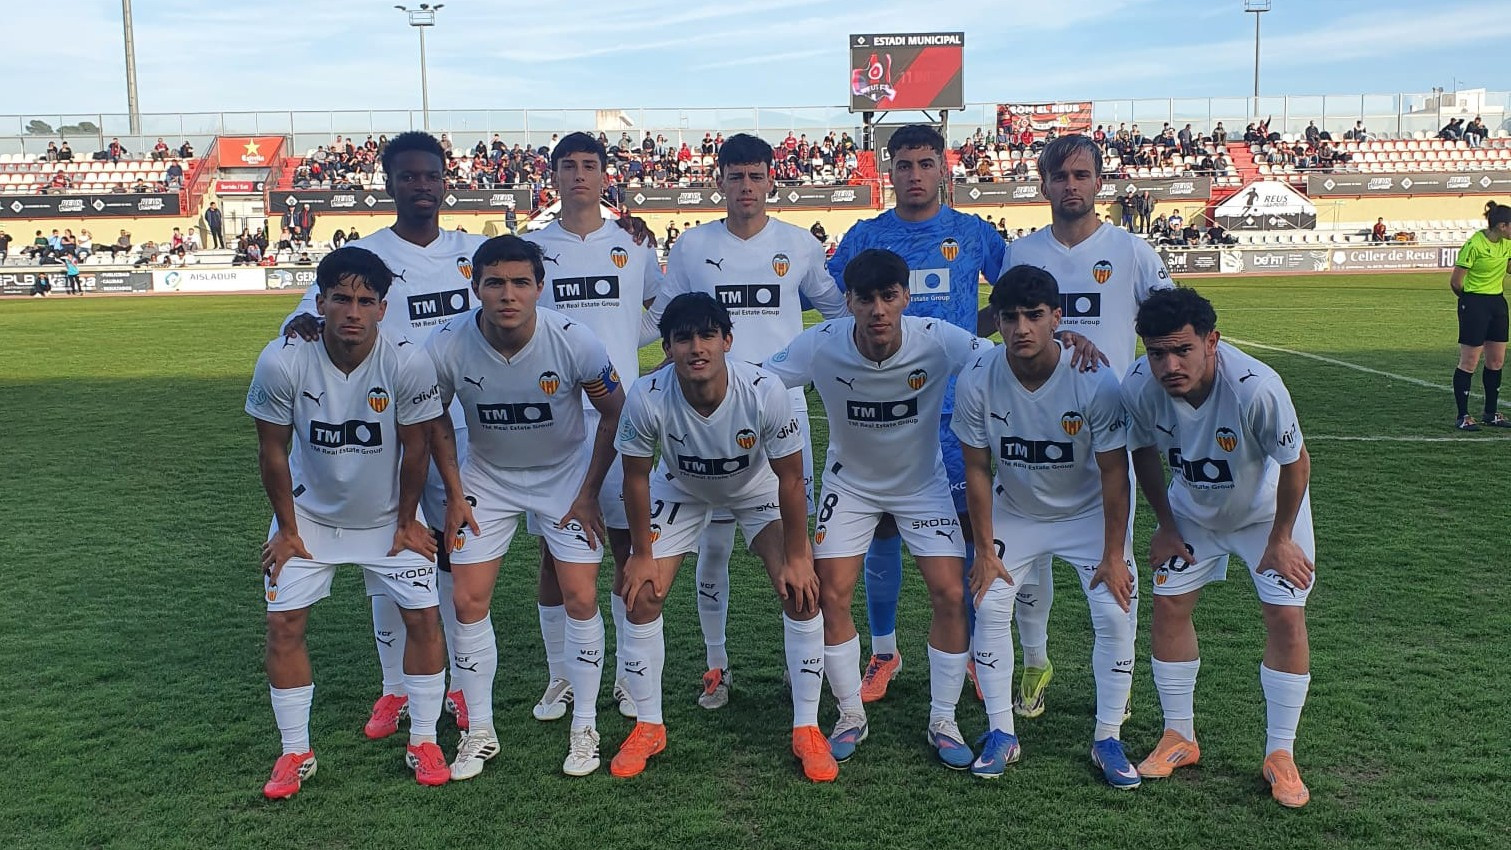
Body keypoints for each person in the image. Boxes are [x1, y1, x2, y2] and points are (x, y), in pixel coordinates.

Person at [281, 131, 488, 741]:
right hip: (384, 441)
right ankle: (395, 687)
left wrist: (625, 225)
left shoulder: (472, 251)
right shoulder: (364, 256)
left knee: (455, 562)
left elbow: (532, 281)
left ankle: (461, 688)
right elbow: (303, 321)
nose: (422, 186)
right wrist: (300, 321)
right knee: (391, 561)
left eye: (431, 175)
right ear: (389, 183)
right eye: (408, 176)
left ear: (446, 182)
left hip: (460, 433)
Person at [762, 248, 983, 772]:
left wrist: (1066, 344)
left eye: (889, 296)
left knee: (952, 594)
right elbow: (759, 379)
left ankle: (944, 720)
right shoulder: (821, 343)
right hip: (851, 487)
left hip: (922, 485)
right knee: (829, 595)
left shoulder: (937, 338)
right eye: (866, 299)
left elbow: (1003, 359)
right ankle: (849, 715)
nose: (878, 310)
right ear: (849, 302)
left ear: (905, 297)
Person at [246, 246, 451, 799]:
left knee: (424, 620)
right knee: (283, 625)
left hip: (388, 521)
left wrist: (407, 522)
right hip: (308, 519)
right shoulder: (282, 359)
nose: (353, 311)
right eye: (341, 299)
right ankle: (295, 752)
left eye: (365, 301)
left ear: (383, 308)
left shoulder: (406, 361)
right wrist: (287, 531)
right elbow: (271, 452)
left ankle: (424, 739)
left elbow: (417, 449)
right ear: (320, 302)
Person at [426, 235, 626, 779]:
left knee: (580, 595)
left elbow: (615, 413)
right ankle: (480, 732)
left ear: (540, 287)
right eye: (495, 283)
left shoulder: (575, 341)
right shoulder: (445, 344)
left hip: (564, 477)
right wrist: (453, 492)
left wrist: (588, 493)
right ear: (475, 287)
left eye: (520, 283)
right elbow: (433, 417)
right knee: (466, 600)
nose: (507, 294)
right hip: (487, 478)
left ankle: (584, 726)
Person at [660, 133, 847, 710]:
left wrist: (807, 366)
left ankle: (800, 665)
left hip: (781, 410)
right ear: (719, 180)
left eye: (756, 175)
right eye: (735, 176)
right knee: (713, 547)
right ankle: (716, 665)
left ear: (771, 179)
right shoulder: (692, 246)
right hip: (709, 412)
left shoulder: (799, 244)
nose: (746, 186)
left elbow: (837, 313)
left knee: (794, 545)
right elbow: (663, 317)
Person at [819, 124, 1004, 702]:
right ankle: (884, 651)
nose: (916, 175)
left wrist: (972, 332)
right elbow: (829, 299)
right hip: (884, 414)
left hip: (957, 415)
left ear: (943, 168)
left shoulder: (972, 232)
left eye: (926, 163)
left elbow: (1015, 294)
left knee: (968, 531)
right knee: (881, 529)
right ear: (889, 171)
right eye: (904, 165)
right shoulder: (866, 235)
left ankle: (969, 654)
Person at [612, 292, 829, 781]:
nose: (697, 348)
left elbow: (791, 479)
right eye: (683, 338)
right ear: (667, 348)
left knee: (800, 591)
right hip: (682, 488)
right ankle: (649, 725)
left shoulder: (765, 390)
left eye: (708, 335)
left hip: (756, 486)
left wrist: (798, 556)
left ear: (727, 340)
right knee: (641, 595)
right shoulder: (647, 395)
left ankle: (807, 727)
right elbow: (636, 478)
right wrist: (642, 554)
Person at [994, 134, 1172, 720]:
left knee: (1114, 560)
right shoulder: (1022, 252)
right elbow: (1012, 325)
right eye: (1060, 176)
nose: (1070, 185)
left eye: (1081, 175)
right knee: (1030, 560)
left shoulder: (1132, 251)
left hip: (1109, 429)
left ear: (1099, 182)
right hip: (1035, 424)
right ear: (1043, 184)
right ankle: (1036, 661)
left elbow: (1170, 321)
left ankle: (1117, 693)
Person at [1121, 288, 1316, 809]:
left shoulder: (1257, 388)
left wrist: (1280, 539)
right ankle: (1179, 735)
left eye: (1182, 350)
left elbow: (1296, 464)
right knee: (1169, 607)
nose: (1169, 365)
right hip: (1192, 512)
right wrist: (1165, 525)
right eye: (1157, 352)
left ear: (1212, 341)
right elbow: (1142, 451)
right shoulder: (1138, 386)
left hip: (1266, 515)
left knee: (1285, 616)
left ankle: (1280, 754)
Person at [953, 265, 1138, 785]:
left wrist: (1113, 555)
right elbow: (976, 468)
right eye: (1009, 317)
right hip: (1017, 511)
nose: (1021, 328)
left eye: (1034, 316)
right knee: (989, 603)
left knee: (1115, 611)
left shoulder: (1093, 378)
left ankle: (1108, 738)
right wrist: (984, 551)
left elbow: (1114, 472)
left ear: (1057, 317)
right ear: (997, 321)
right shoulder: (978, 376)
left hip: (1087, 514)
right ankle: (1001, 733)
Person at [522, 131, 664, 724]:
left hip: (620, 413)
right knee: (555, 554)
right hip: (554, 419)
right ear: (553, 175)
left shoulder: (633, 243)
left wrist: (622, 340)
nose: (579, 174)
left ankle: (630, 676)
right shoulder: (532, 247)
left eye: (589, 165)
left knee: (629, 545)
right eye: (568, 165)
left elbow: (659, 308)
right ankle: (562, 674)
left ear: (605, 175)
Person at [1449, 202, 1511, 430]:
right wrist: (1470, 303)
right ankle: (1463, 416)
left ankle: (1491, 413)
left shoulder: (1507, 244)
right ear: (1502, 226)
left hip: (1497, 303)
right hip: (1475, 303)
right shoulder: (1474, 244)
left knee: (1496, 361)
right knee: (1469, 361)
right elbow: (1456, 282)